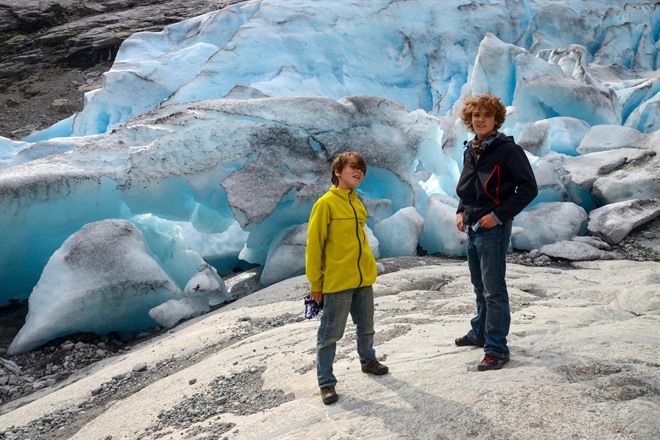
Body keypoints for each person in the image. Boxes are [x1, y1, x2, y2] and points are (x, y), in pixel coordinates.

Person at [454, 94, 538, 371]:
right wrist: (460, 209)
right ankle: (480, 332)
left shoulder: (507, 150)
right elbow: (468, 184)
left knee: (494, 290)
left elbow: (528, 189)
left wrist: (499, 215)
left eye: (486, 115)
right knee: (480, 287)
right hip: (473, 225)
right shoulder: (471, 148)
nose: (480, 119)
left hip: (493, 228)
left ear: (496, 120)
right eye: (476, 115)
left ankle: (497, 349)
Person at [306, 151, 388, 405]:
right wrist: (316, 285)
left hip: (362, 279)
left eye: (361, 170)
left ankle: (368, 361)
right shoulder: (325, 204)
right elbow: (314, 246)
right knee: (330, 333)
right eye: (353, 168)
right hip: (338, 281)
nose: (358, 173)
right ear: (338, 172)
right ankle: (326, 382)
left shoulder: (357, 202)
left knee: (367, 327)